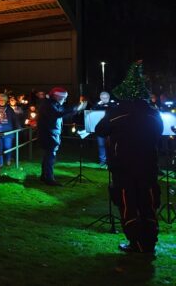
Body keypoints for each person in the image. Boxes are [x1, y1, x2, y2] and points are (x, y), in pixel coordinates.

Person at [95, 61, 162, 254]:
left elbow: (101, 130)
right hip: (148, 165)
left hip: (123, 166)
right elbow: (158, 133)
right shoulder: (152, 113)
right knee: (148, 202)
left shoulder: (117, 112)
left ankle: (135, 243)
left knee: (128, 202)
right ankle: (149, 243)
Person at [37, 87, 87, 186]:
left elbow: (63, 113)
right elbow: (58, 114)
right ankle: (49, 179)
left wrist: (76, 109)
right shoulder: (48, 105)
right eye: (63, 98)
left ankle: (45, 176)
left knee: (48, 156)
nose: (65, 100)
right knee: (50, 157)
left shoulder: (53, 104)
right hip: (49, 135)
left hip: (51, 134)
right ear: (57, 97)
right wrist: (75, 108)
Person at [91, 91, 116, 166]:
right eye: (103, 97)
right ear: (100, 98)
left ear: (108, 97)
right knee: (101, 146)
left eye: (106, 97)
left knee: (111, 146)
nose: (104, 99)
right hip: (100, 130)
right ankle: (102, 161)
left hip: (110, 130)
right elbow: (92, 111)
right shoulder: (97, 105)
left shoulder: (113, 104)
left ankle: (111, 161)